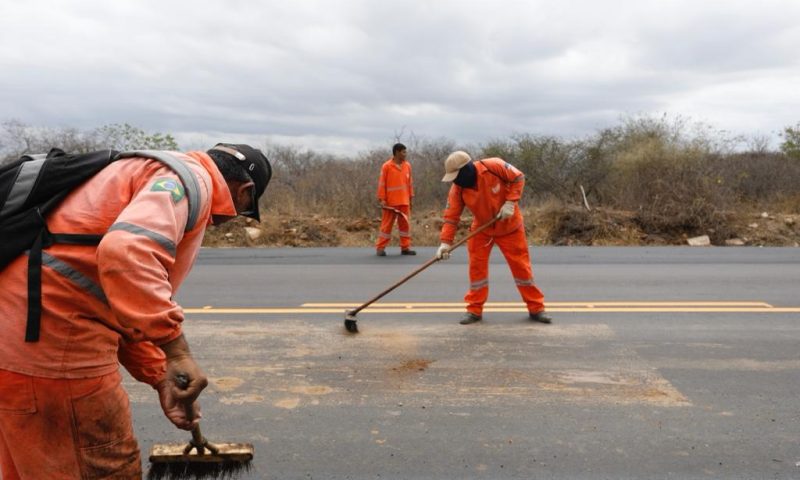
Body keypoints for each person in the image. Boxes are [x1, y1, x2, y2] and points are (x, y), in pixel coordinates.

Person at [0, 144, 271, 479]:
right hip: (59, 359)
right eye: (243, 211)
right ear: (245, 192)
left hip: (19, 354)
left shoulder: (143, 170)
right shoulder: (188, 183)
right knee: (102, 468)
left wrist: (160, 376)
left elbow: (117, 297)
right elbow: (126, 254)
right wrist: (176, 349)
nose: (224, 222)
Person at [435, 151, 552, 325]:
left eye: (456, 176)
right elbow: (451, 217)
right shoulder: (458, 189)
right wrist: (445, 243)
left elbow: (518, 177)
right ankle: (474, 310)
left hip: (510, 227)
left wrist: (510, 202)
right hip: (482, 229)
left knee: (522, 270)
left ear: (466, 169)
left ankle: (536, 308)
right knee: (476, 270)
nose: (455, 181)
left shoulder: (493, 166)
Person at [375, 143, 416, 256]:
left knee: (405, 226)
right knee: (386, 225)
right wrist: (382, 199)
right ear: (397, 152)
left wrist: (411, 198)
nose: (405, 154)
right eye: (403, 152)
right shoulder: (387, 166)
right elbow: (382, 183)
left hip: (404, 201)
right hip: (390, 203)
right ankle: (380, 248)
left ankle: (405, 248)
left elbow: (410, 183)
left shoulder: (407, 165)